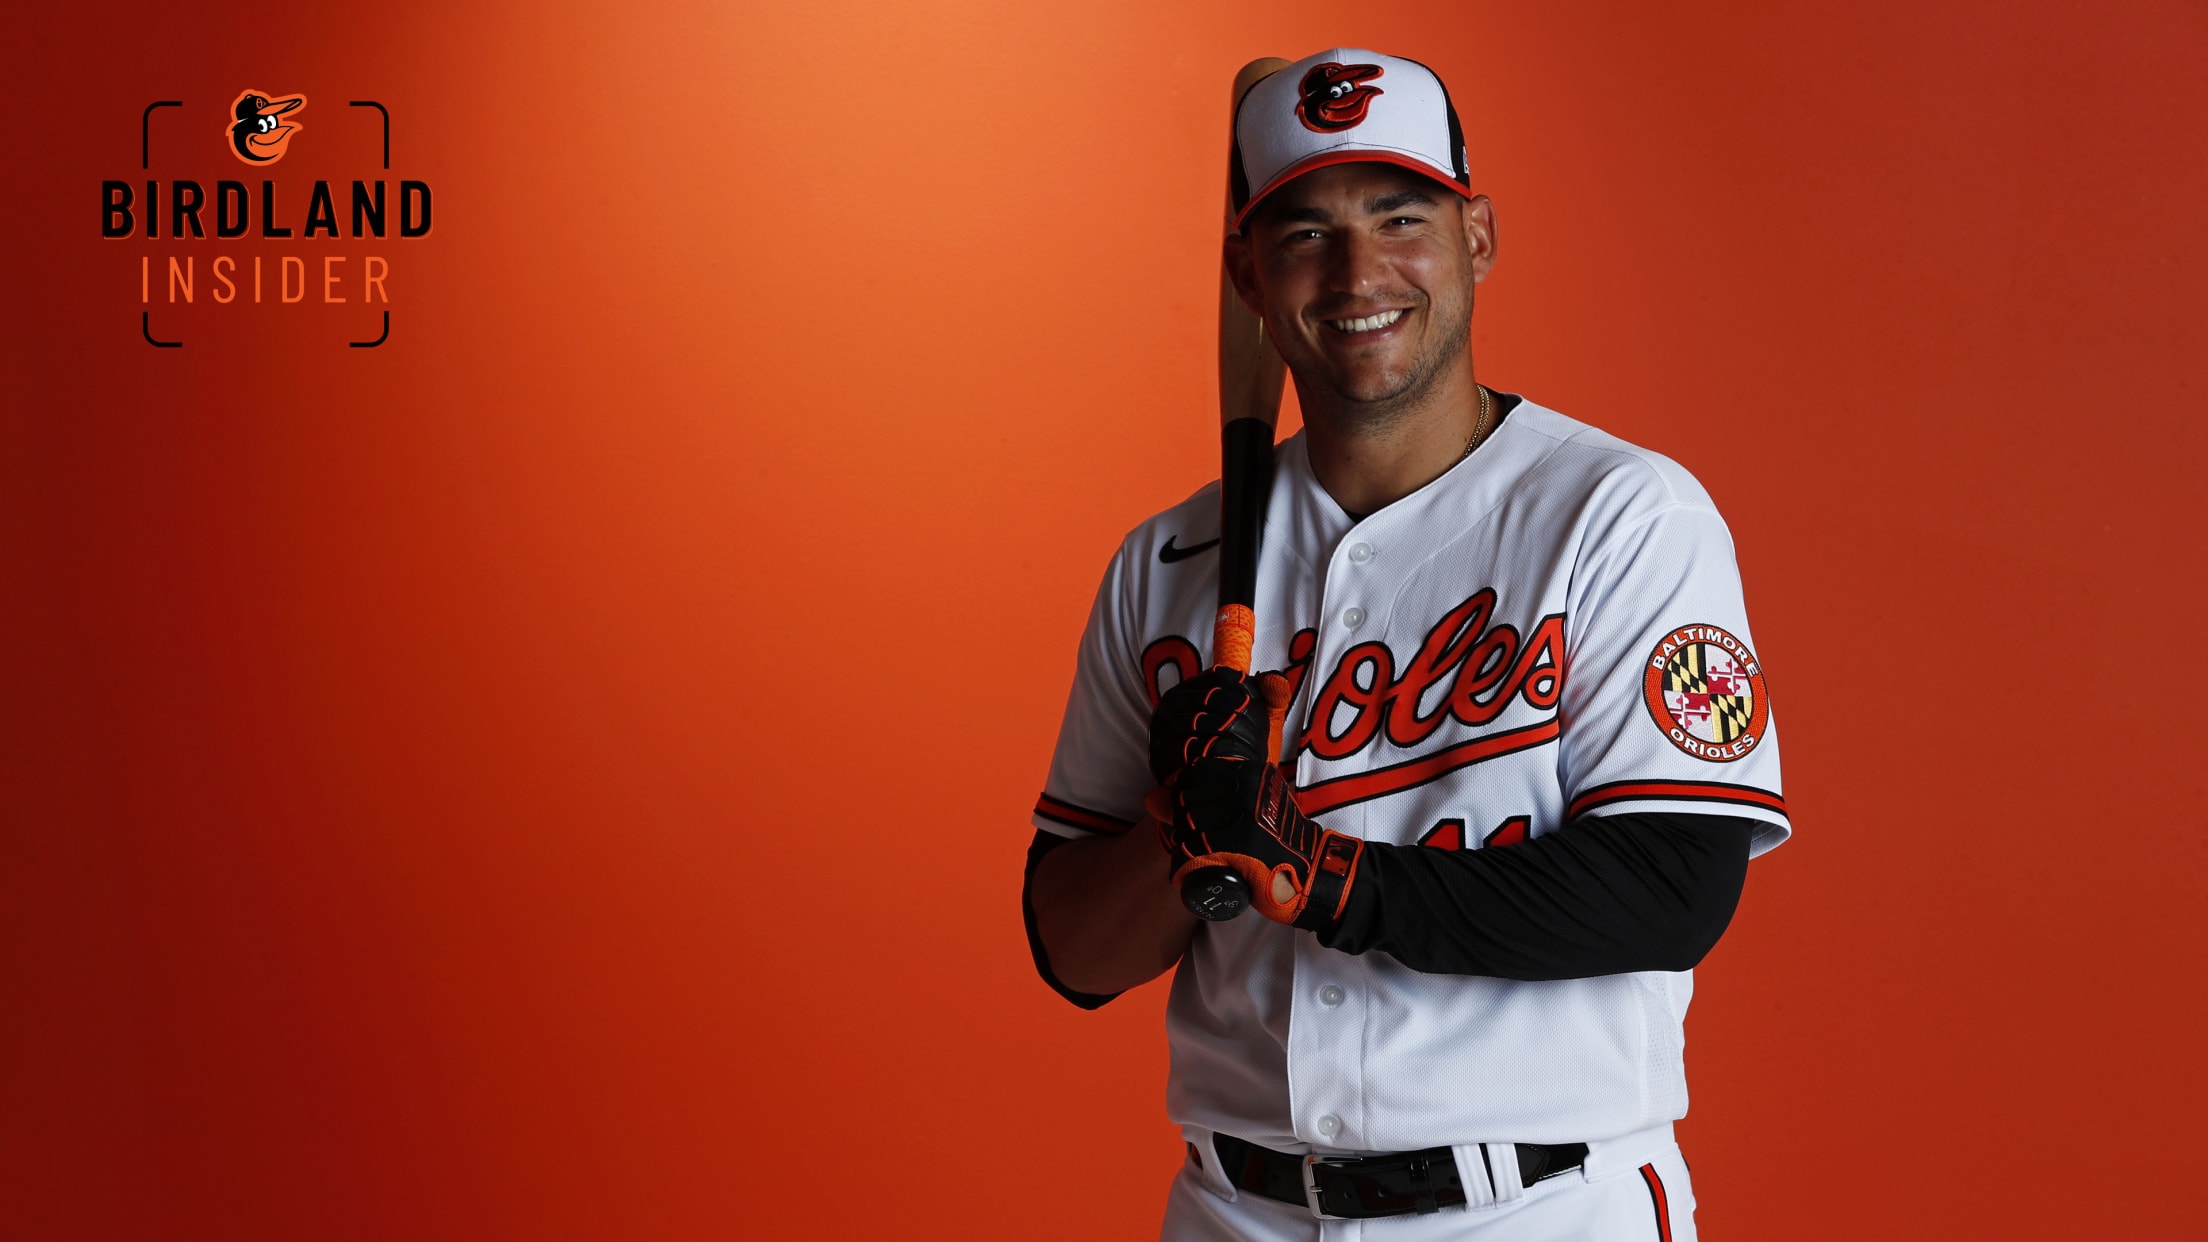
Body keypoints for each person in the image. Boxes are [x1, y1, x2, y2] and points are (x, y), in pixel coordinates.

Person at [1022, 47, 1788, 1241]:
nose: (1358, 272)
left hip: (1542, 1207)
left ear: (1476, 236)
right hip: (1235, 1210)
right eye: (1304, 233)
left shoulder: (1622, 515)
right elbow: (1071, 947)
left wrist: (1325, 878)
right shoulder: (1165, 565)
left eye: (1401, 215)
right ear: (1248, 275)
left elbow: (1671, 886)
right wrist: (1181, 829)